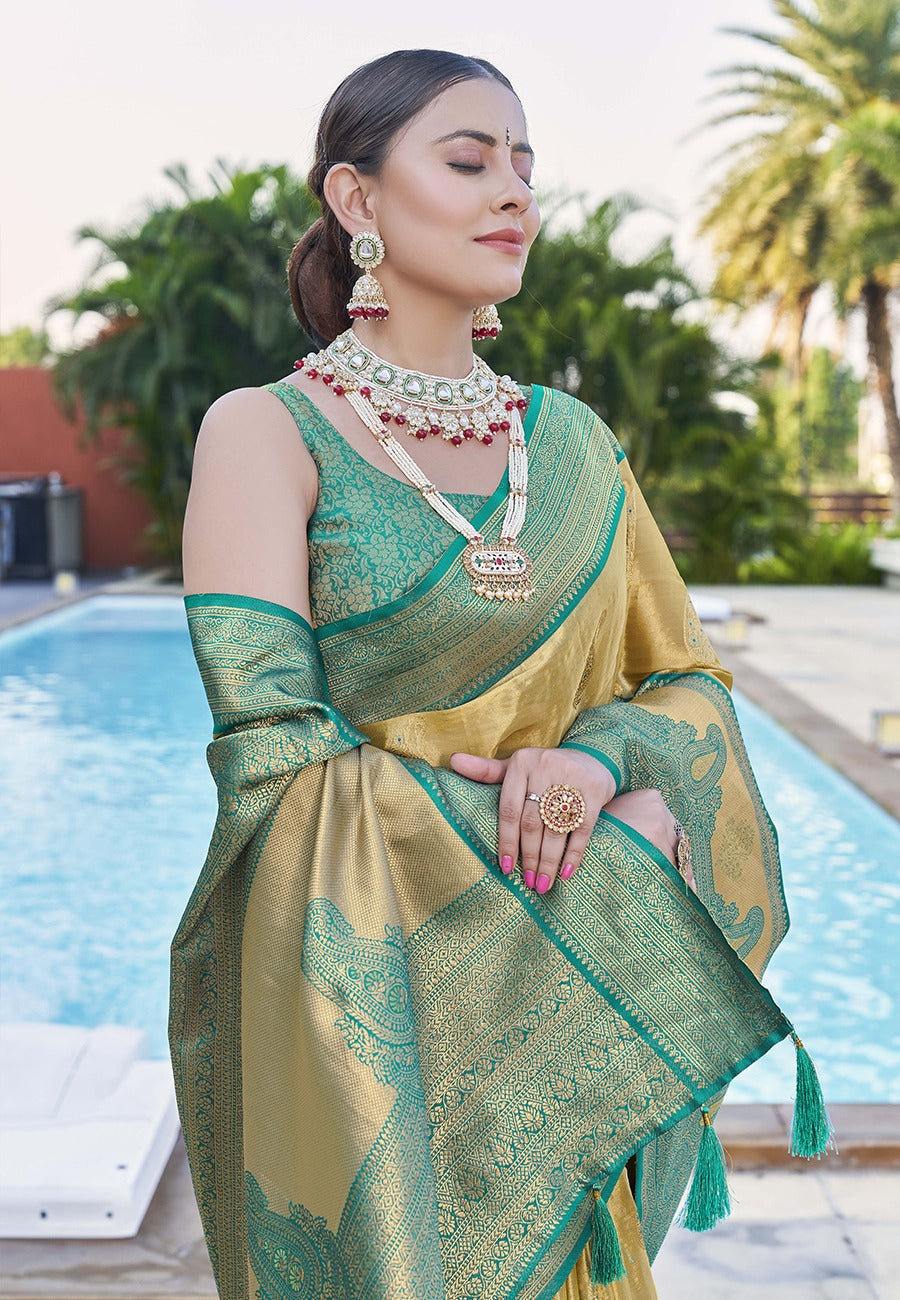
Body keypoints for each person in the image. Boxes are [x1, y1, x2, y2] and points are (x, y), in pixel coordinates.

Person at [172, 48, 830, 1300]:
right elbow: (277, 767)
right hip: (376, 1030)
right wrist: (610, 850)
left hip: (563, 1010)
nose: (515, 190)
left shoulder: (571, 445)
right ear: (357, 199)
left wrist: (602, 765)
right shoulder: (267, 433)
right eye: (470, 160)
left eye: (526, 164)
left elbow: (687, 685)